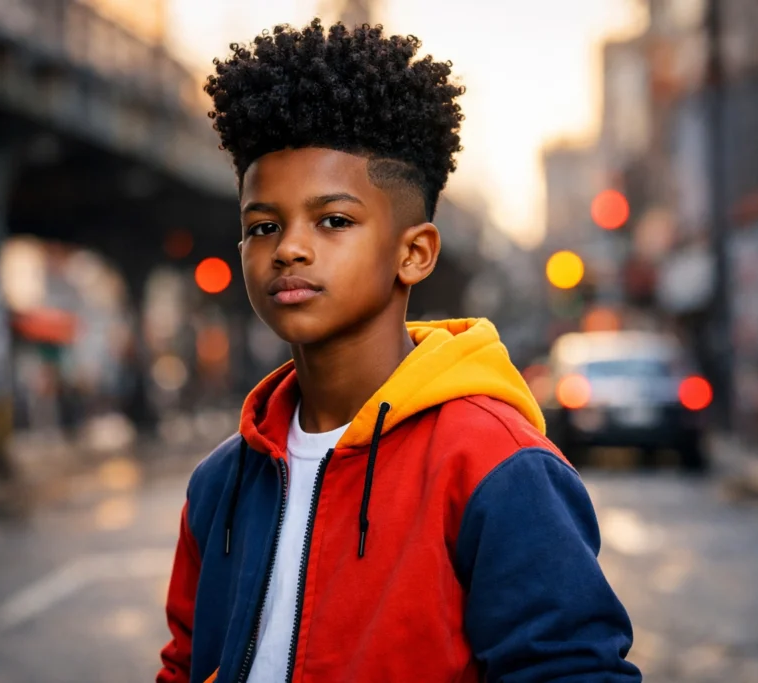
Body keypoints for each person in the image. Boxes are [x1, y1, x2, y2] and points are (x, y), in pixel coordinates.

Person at [157, 19, 640, 683]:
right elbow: (184, 665)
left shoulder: (497, 465)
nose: (289, 248)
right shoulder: (221, 482)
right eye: (262, 226)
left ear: (414, 253)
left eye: (333, 220)